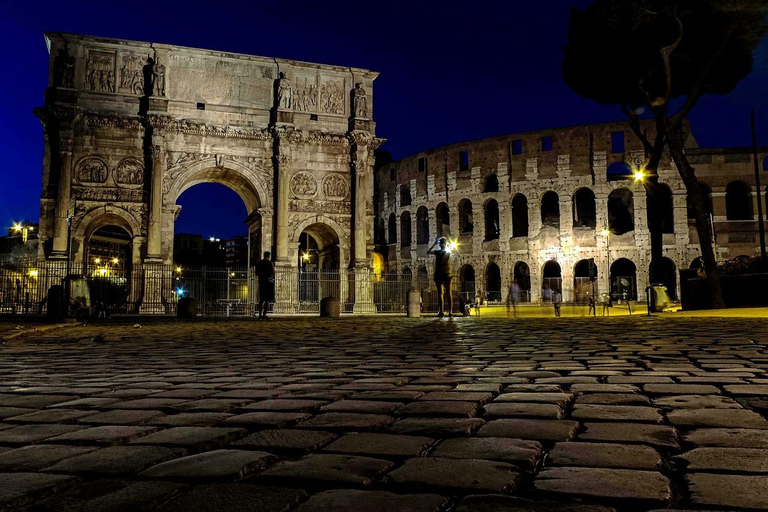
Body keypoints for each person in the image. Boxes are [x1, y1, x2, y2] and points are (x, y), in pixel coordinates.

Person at [427, 238, 453, 317]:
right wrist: (448, 245)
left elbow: (428, 252)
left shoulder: (437, 252)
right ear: (445, 244)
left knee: (440, 293)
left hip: (439, 274)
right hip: (447, 273)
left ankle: (441, 311)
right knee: (449, 293)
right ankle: (450, 312)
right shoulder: (447, 252)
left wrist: (434, 244)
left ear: (440, 244)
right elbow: (452, 250)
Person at [256, 252, 275, 320]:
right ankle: (264, 315)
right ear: (269, 256)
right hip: (268, 283)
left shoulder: (259, 263)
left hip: (261, 283)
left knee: (261, 300)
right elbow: (273, 272)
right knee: (267, 300)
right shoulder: (270, 263)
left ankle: (260, 315)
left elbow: (256, 273)